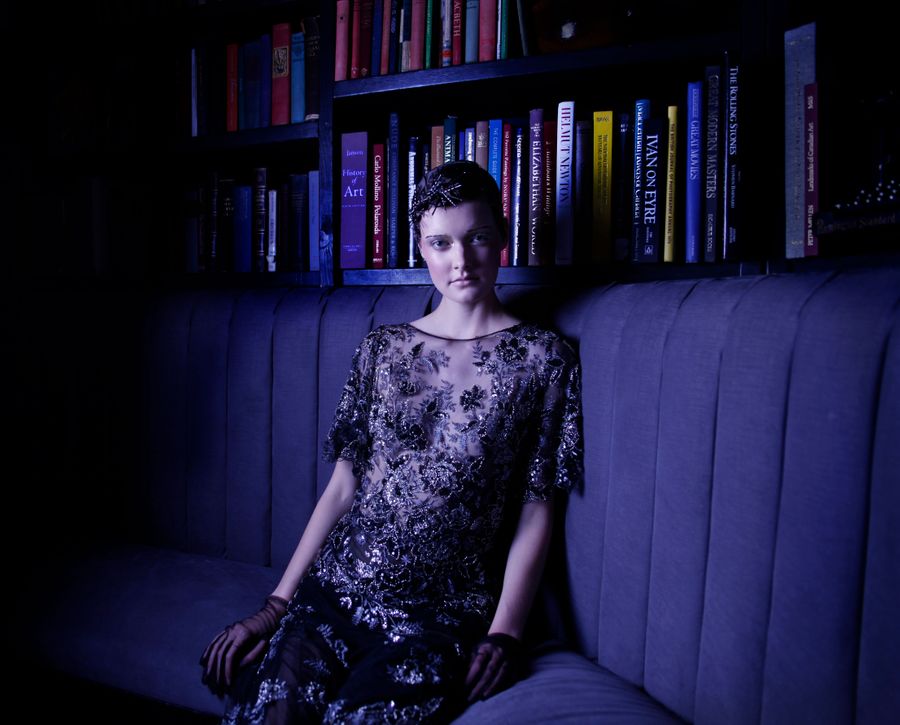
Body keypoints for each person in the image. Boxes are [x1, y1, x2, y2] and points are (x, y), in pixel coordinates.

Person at [199, 160, 583, 724]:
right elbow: (342, 488)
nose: (461, 259)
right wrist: (276, 605)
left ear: (502, 236)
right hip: (336, 592)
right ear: (421, 248)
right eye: (441, 242)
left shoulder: (544, 359)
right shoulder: (382, 350)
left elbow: (537, 505)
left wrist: (505, 632)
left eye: (477, 236)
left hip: (442, 614)